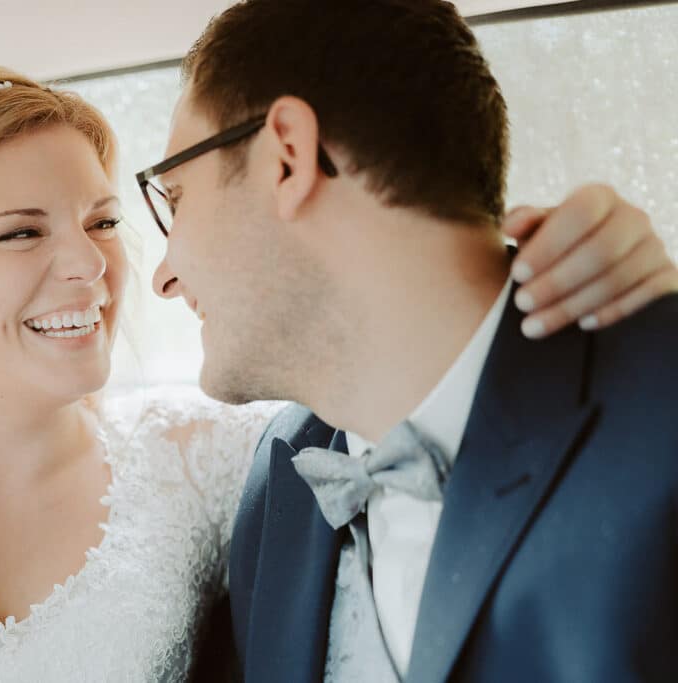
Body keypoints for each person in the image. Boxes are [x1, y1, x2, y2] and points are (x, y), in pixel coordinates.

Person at [0, 41, 670, 683]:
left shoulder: (221, 463)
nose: (94, 264)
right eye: (18, 233)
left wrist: (572, 251)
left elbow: (402, 348)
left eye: (106, 218)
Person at [146, 1, 678, 681]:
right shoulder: (279, 478)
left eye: (177, 196)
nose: (163, 275)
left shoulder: (658, 417)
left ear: (287, 157)